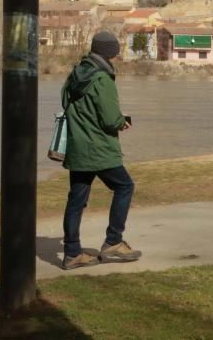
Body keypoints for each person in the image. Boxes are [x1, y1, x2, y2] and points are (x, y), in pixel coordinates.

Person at [59, 31, 142, 270]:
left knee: (76, 200)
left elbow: (66, 103)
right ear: (110, 53)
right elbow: (109, 118)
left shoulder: (76, 73)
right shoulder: (102, 79)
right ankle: (113, 241)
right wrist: (121, 122)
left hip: (78, 146)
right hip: (99, 148)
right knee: (125, 186)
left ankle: (72, 253)